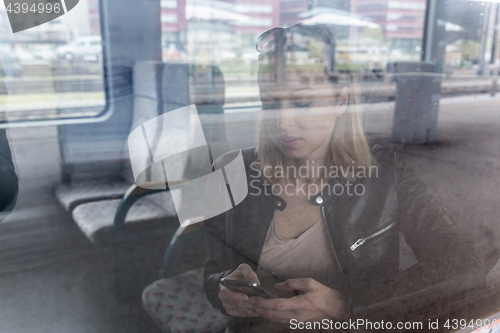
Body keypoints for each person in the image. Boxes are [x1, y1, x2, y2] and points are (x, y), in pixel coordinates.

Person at [203, 24, 485, 332]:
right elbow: (211, 267)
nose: (283, 121)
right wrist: (222, 290)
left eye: (302, 103)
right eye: (270, 103)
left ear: (341, 101)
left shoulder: (385, 173)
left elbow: (462, 266)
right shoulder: (235, 170)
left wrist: (347, 304)